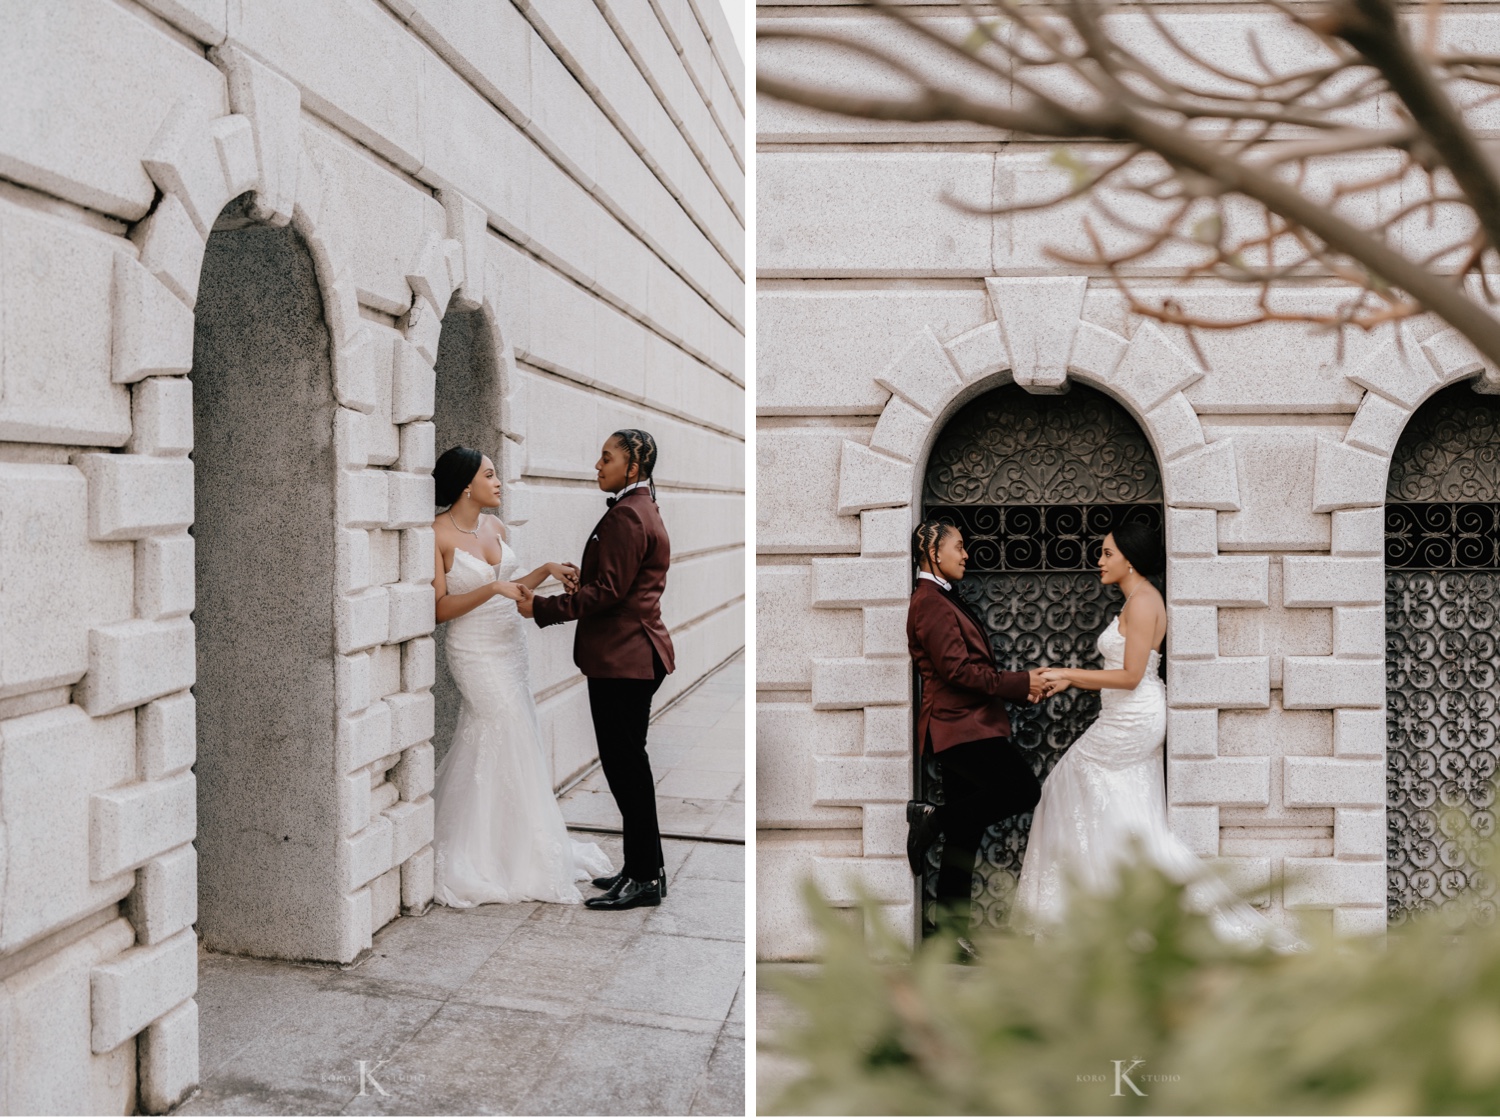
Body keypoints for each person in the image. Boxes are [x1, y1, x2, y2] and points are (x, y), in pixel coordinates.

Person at [1015, 520, 1289, 948]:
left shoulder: (1143, 602)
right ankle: (1114, 918)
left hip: (1134, 717)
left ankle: (1086, 915)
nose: (1100, 561)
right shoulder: (1135, 600)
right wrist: (1072, 682)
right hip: (1128, 714)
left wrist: (1067, 672)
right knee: (1128, 819)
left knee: (1062, 784)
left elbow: (1129, 676)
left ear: (1130, 558)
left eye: (1107, 553)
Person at [429, 446, 612, 907]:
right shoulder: (437, 534)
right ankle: (485, 856)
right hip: (473, 651)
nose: (497, 482)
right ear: (466, 484)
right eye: (490, 475)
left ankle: (511, 848)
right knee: (502, 730)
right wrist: (491, 586)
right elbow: (439, 609)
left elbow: (513, 587)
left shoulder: (496, 526)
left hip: (511, 648)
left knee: (513, 739)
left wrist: (547, 571)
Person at [519, 429, 675, 911]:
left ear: (633, 467)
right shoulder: (639, 509)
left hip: (625, 661)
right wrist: (584, 579)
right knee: (629, 767)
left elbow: (607, 594)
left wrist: (542, 607)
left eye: (606, 458)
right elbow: (618, 584)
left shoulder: (629, 515)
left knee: (627, 769)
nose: (597, 464)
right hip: (628, 657)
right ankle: (643, 869)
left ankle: (645, 878)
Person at [905, 518, 1048, 945]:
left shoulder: (940, 598)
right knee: (1023, 791)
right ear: (934, 552)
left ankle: (949, 938)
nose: (966, 554)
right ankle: (932, 818)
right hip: (957, 727)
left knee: (965, 834)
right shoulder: (929, 602)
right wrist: (1021, 683)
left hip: (964, 725)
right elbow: (958, 671)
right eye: (959, 546)